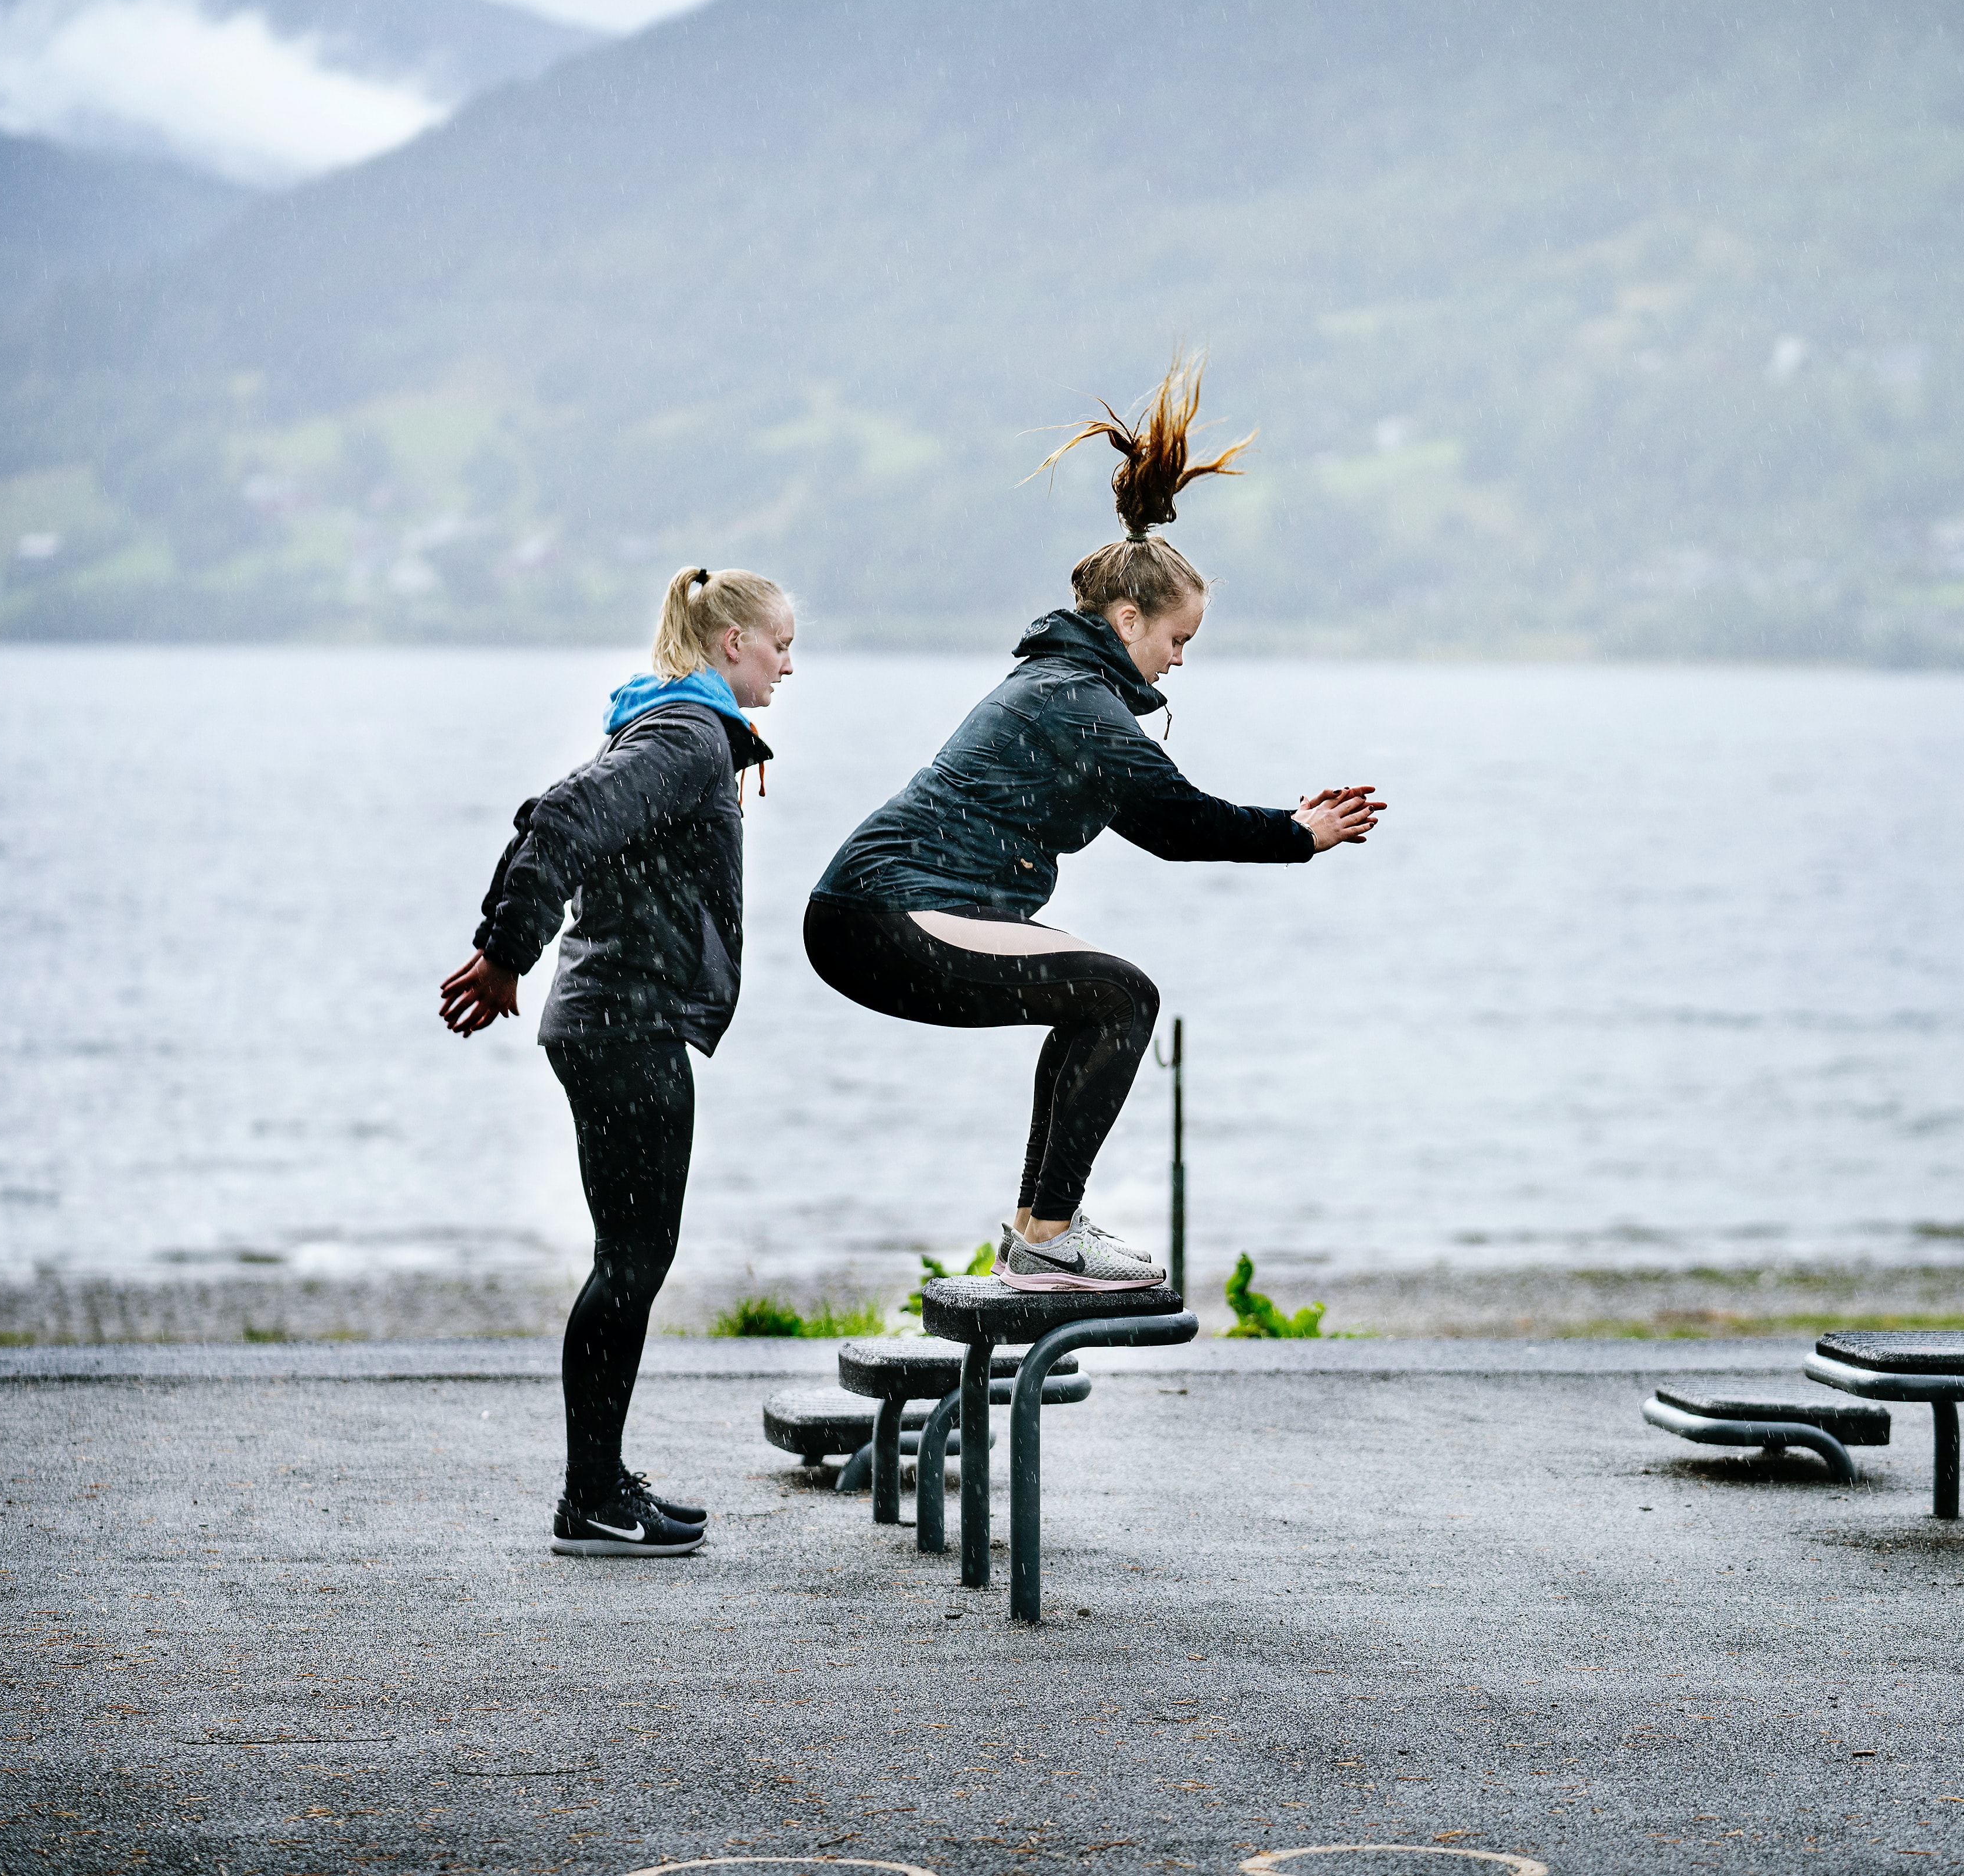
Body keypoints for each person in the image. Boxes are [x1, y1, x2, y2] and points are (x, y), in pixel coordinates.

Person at [806, 360, 1382, 1291]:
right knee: (1120, 996)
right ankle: (1048, 1234)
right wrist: (1296, 833)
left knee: (1099, 995)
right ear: (1126, 618)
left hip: (880, 912)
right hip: (883, 915)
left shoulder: (1066, 691)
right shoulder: (1074, 702)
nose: (1180, 660)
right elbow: (1180, 819)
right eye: (1176, 639)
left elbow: (1153, 827)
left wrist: (1288, 827)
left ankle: (1040, 1230)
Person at [440, 565, 795, 1553]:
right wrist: (506, 950)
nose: (787, 662)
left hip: (615, 1021)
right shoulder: (685, 736)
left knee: (631, 1259)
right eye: (778, 644)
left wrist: (505, 946)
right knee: (632, 1262)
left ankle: (598, 1485)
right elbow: (559, 820)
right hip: (622, 1027)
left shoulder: (666, 728)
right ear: (731, 644)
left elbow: (558, 819)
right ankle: (591, 1499)